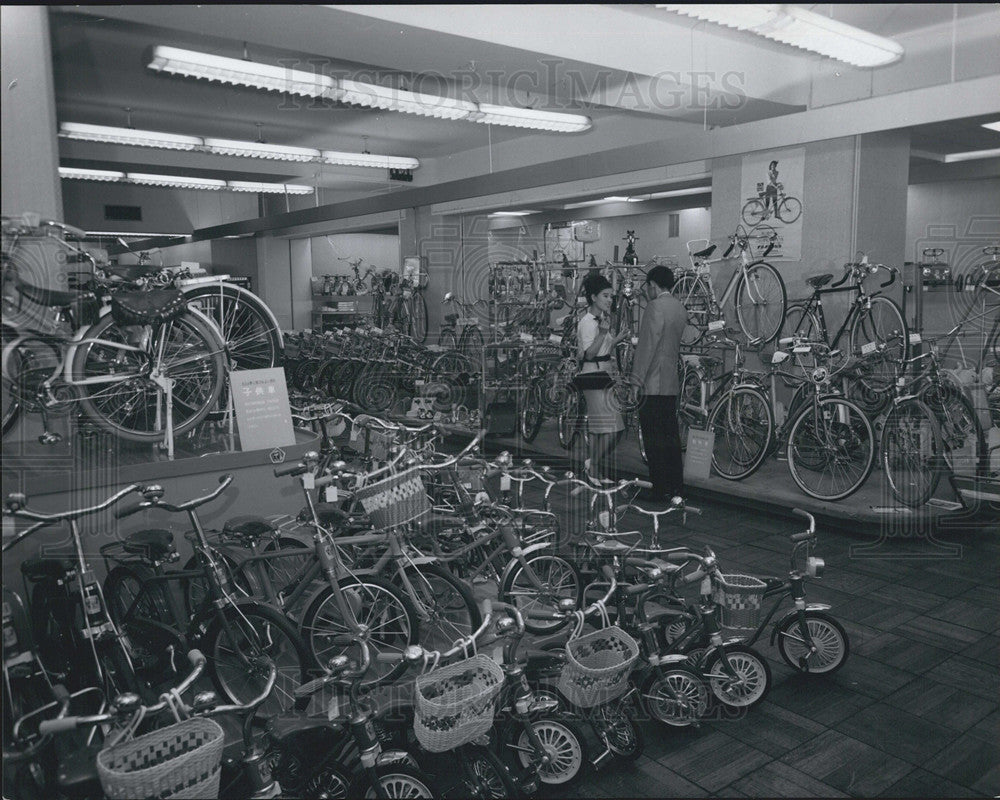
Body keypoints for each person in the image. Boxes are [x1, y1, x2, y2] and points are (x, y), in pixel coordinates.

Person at [629, 265, 688, 503]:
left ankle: (659, 488)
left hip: (652, 383)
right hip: (670, 381)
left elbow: (646, 348)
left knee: (653, 438)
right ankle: (676, 486)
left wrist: (636, 380)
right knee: (670, 437)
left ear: (653, 285)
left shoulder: (655, 307)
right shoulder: (679, 307)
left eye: (648, 287)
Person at [576, 273, 628, 481]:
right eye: (606, 296)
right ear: (593, 297)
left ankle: (594, 470)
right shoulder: (588, 322)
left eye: (611, 297)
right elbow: (589, 353)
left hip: (602, 374)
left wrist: (614, 339)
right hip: (593, 375)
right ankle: (592, 466)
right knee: (613, 429)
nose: (610, 300)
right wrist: (602, 333)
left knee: (601, 429)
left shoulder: (601, 320)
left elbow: (601, 349)